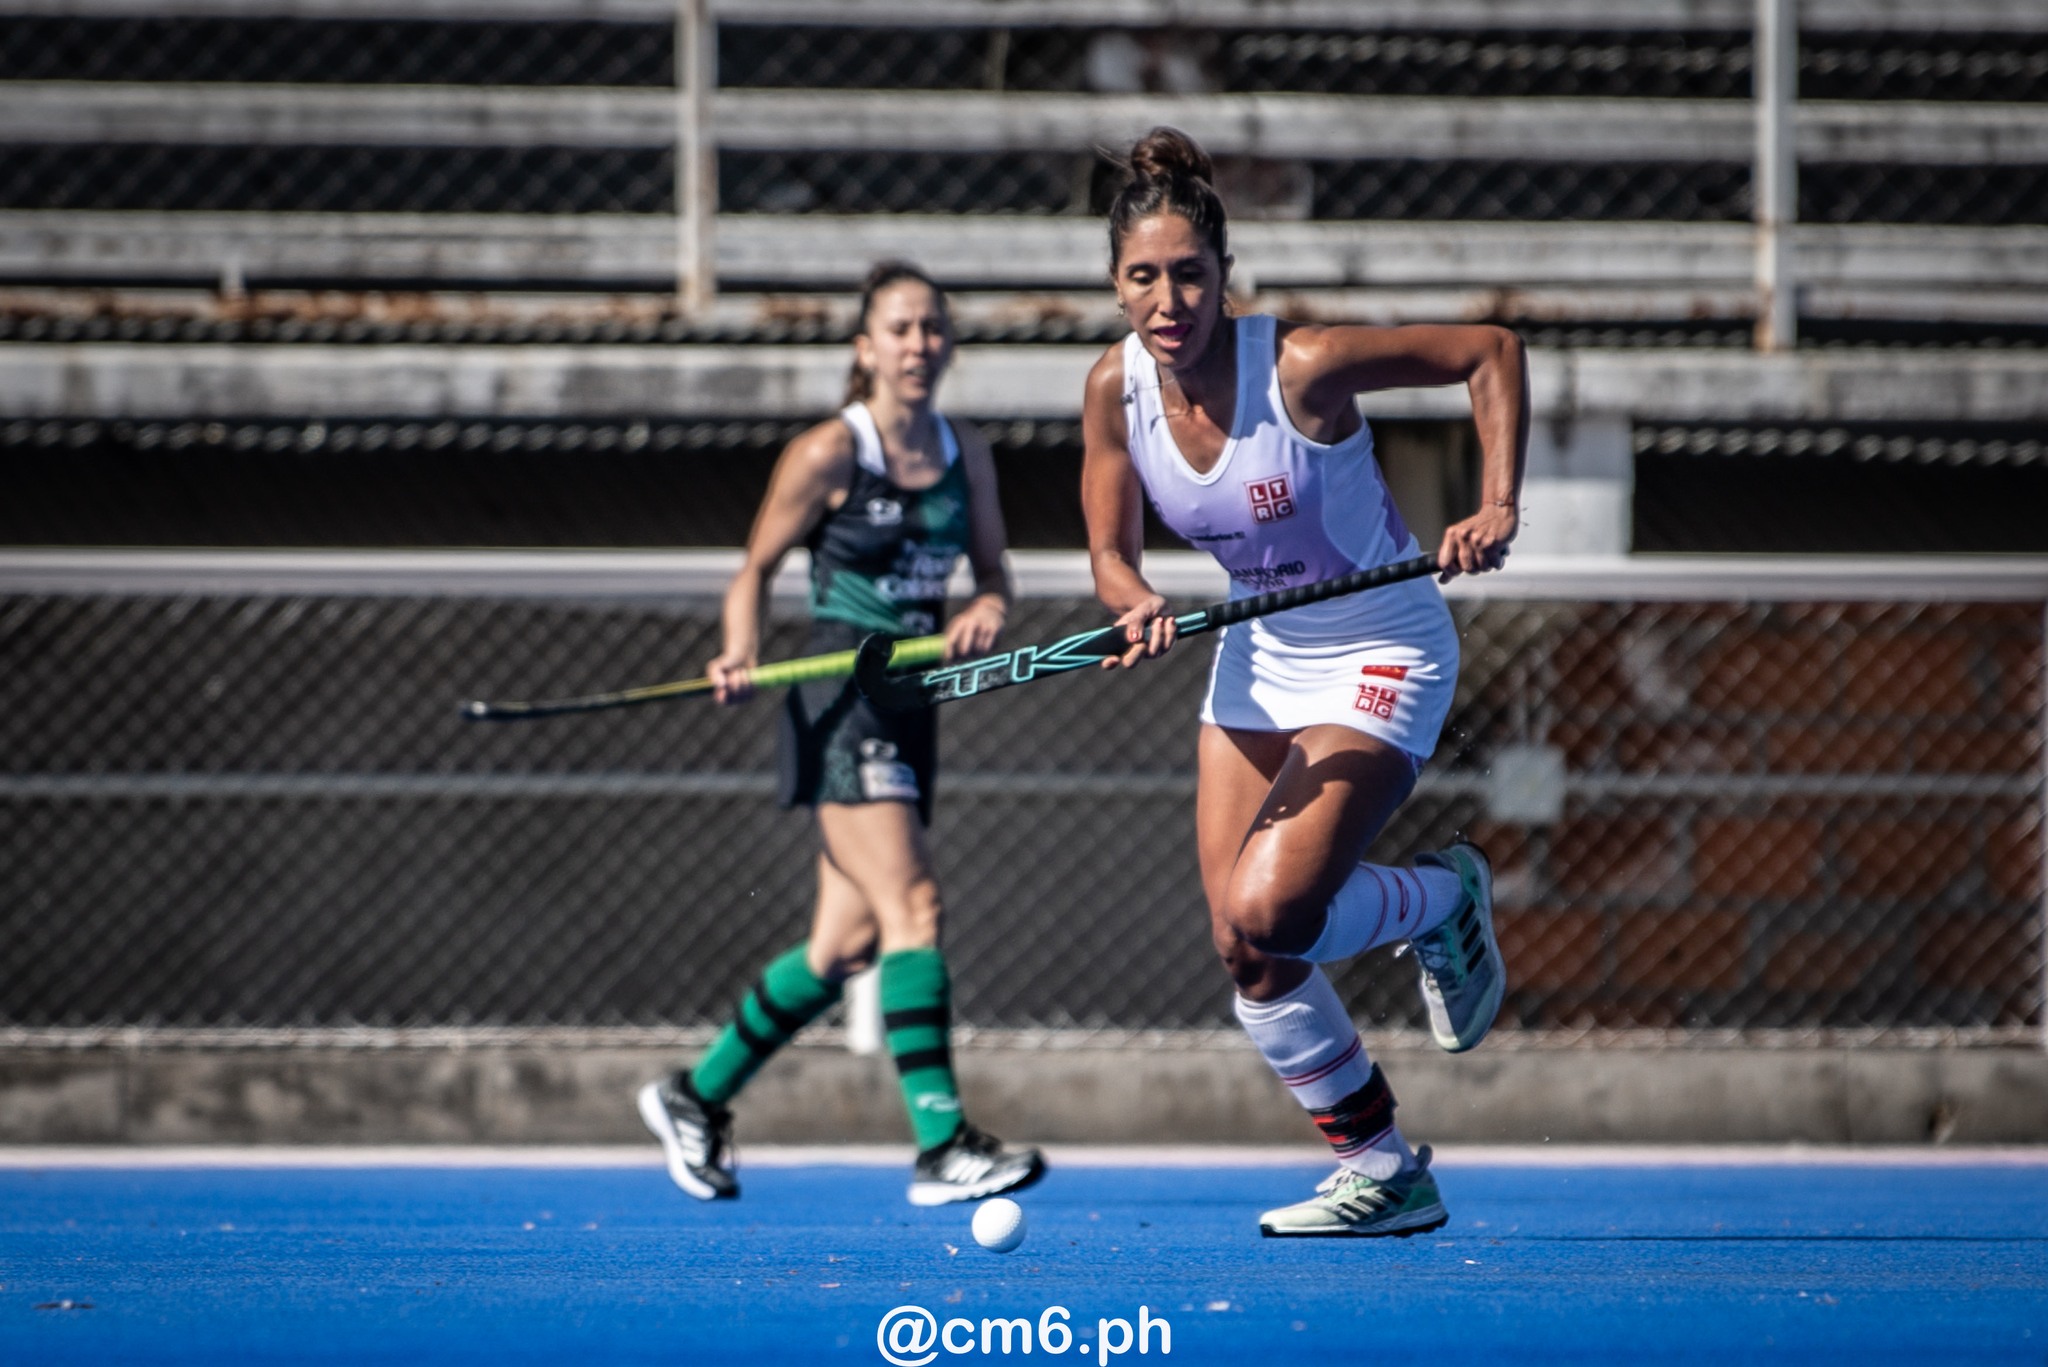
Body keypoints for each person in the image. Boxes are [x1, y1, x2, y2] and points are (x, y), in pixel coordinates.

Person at [1081, 128, 1526, 1237]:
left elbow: (1491, 350)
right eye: (1143, 276)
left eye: (1188, 273)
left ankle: (1442, 896)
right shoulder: (1111, 387)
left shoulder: (1300, 368)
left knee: (1272, 906)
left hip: (1381, 645)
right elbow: (1107, 547)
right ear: (1114, 283)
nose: (1168, 298)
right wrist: (1127, 594)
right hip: (1261, 653)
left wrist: (1496, 500)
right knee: (1244, 947)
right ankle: (1385, 1167)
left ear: (1223, 274)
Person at [638, 261, 1045, 1207]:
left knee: (842, 947)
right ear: (865, 348)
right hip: (839, 696)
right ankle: (943, 1143)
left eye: (933, 328)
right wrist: (737, 650)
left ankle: (694, 1095)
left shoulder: (965, 452)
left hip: (913, 698)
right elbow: (754, 569)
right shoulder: (830, 451)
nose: (919, 345)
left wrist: (985, 609)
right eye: (900, 329)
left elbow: (994, 576)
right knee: (915, 907)